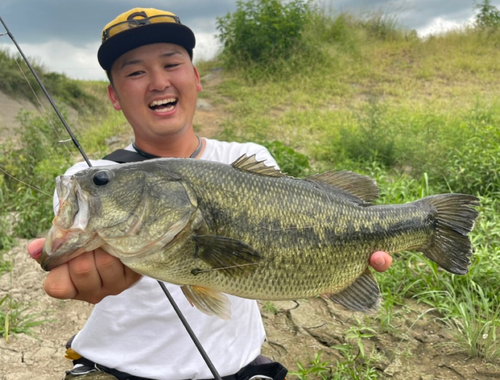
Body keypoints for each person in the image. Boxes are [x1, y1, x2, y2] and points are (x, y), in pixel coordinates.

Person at [28, 7, 393, 380]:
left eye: (172, 64)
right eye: (135, 72)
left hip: (236, 367)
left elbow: (280, 244)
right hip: (117, 368)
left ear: (196, 77)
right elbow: (64, 267)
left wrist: (328, 267)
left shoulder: (245, 159)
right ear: (115, 96)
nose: (158, 81)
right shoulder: (87, 179)